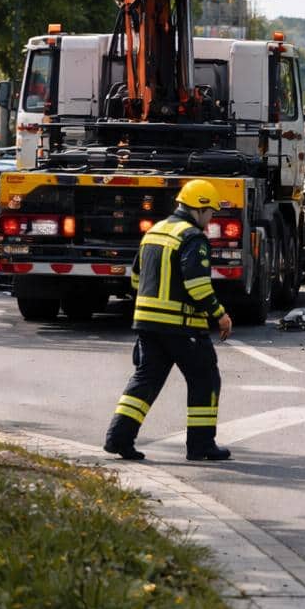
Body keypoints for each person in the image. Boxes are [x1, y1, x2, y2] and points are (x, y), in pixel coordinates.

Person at [103, 179, 234, 462]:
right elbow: (197, 285)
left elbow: (136, 277)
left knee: (145, 381)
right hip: (181, 325)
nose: (211, 218)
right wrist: (220, 315)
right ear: (198, 209)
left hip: (147, 324)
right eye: (210, 212)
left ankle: (119, 438)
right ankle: (201, 446)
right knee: (205, 380)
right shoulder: (192, 237)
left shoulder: (154, 231)